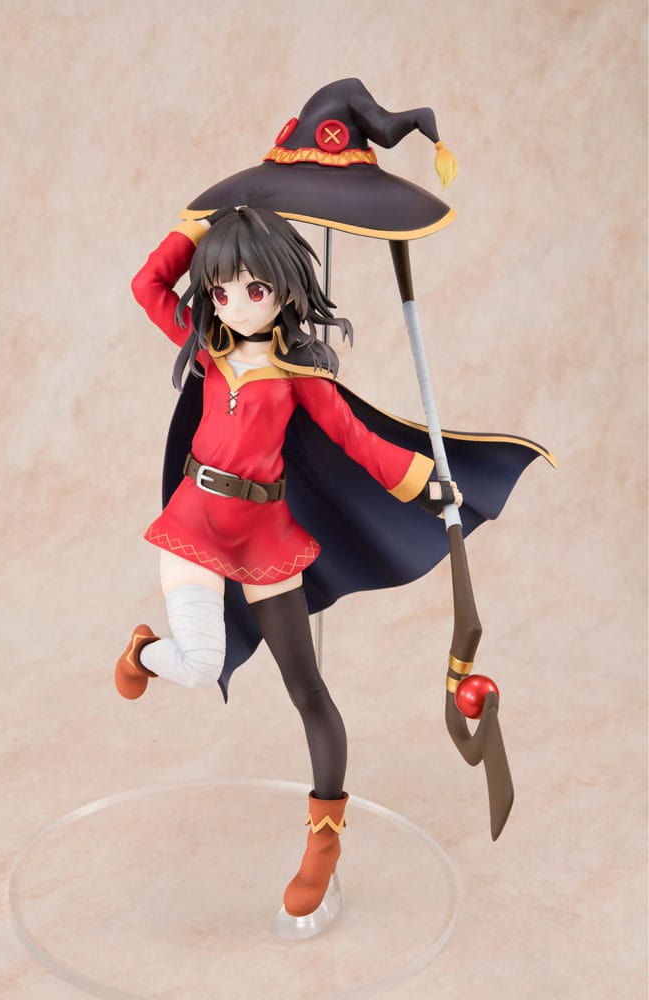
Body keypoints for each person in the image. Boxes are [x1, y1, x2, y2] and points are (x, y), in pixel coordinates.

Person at [116, 206, 462, 919]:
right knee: (199, 665)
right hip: (195, 520)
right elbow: (148, 285)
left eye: (254, 290)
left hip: (265, 535)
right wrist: (198, 218)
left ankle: (323, 843)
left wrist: (425, 483)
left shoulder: (300, 372)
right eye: (220, 290)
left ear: (285, 289)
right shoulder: (206, 346)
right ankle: (144, 654)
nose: (235, 305)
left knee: (308, 689)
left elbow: (356, 440)